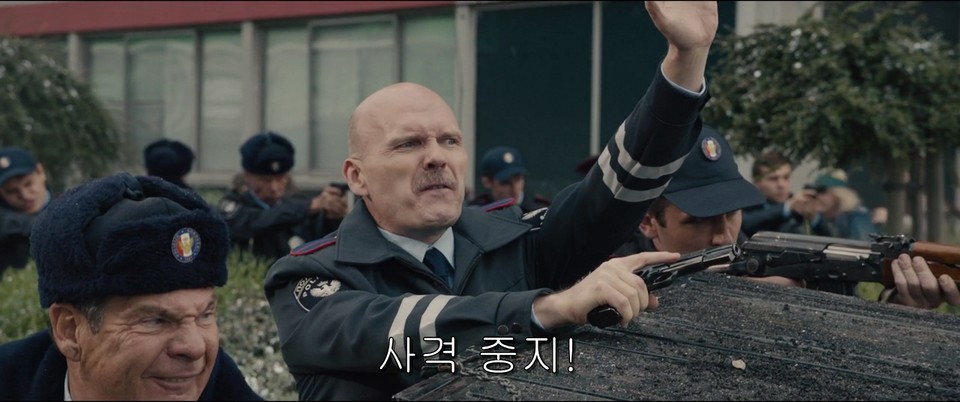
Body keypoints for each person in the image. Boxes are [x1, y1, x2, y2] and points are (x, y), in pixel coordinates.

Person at [264, 2, 717, 399]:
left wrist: (685, 63)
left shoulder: (513, 238)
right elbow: (391, 329)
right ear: (356, 176)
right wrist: (548, 308)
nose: (437, 157)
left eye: (450, 140)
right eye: (408, 144)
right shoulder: (308, 277)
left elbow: (613, 193)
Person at [613, 126, 960, 309]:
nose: (724, 237)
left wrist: (896, 309)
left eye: (732, 214)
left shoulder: (763, 261)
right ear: (648, 222)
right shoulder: (609, 267)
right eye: (699, 220)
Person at [0, 172, 262, 400]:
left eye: (205, 315)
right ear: (69, 330)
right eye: (155, 320)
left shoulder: (224, 387)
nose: (194, 348)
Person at [218, 131, 347, 261]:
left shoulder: (297, 203)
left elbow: (323, 243)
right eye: (265, 180)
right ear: (248, 176)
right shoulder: (233, 206)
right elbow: (258, 221)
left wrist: (332, 216)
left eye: (280, 179)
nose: (274, 188)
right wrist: (308, 206)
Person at [741, 150, 828, 237]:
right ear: (756, 182)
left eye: (786, 177)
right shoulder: (746, 205)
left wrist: (813, 217)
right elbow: (747, 224)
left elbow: (832, 236)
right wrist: (787, 207)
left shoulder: (797, 203)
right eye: (773, 179)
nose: (781, 185)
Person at [0, 147, 52, 274]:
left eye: (28, 184)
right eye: (12, 191)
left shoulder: (72, 205)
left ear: (40, 172)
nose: (24, 195)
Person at [467, 146, 551, 213]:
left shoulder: (542, 210)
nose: (515, 188)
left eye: (518, 179)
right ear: (487, 182)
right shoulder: (476, 212)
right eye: (505, 182)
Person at [808, 169, 878, 242]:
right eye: (815, 192)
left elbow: (866, 246)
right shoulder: (822, 221)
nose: (817, 196)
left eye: (822, 191)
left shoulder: (857, 220)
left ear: (839, 194)